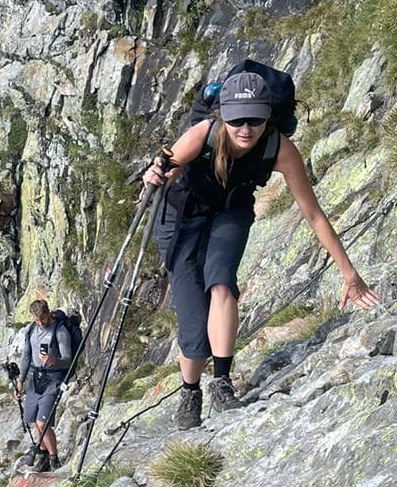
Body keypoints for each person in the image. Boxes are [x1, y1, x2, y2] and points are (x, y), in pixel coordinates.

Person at [143, 70, 378, 430]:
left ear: (268, 118)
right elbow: (168, 170)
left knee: (221, 282)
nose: (246, 128)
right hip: (181, 216)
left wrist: (350, 274)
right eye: (237, 119)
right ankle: (190, 391)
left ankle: (221, 382)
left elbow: (313, 214)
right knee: (193, 327)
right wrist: (154, 176)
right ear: (223, 115)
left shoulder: (279, 148)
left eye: (255, 119)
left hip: (231, 212)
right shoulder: (204, 133)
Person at [17, 298, 73, 472]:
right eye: (37, 320)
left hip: (53, 378)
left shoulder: (60, 331)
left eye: (43, 319)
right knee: (34, 420)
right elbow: (26, 356)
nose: (40, 323)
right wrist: (20, 380)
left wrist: (53, 360)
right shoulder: (31, 330)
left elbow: (68, 361)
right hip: (35, 378)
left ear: (49, 314)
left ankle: (54, 458)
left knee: (43, 423)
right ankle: (43, 456)